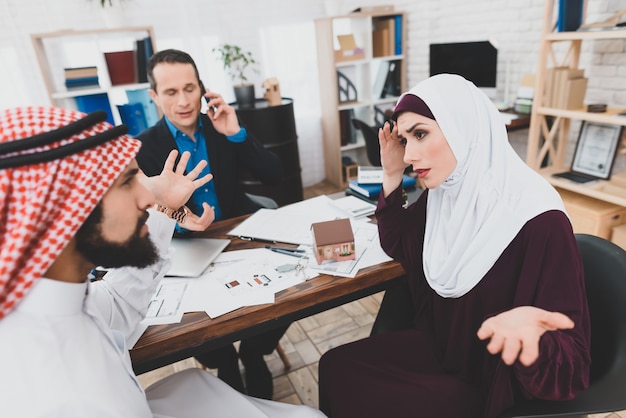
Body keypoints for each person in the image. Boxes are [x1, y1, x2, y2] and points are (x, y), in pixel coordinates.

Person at [0, 106, 326, 418]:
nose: (145, 197)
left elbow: (117, 301)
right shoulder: (62, 400)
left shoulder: (60, 299)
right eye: (128, 183)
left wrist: (166, 209)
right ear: (63, 212)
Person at [317, 74, 591, 418]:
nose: (410, 154)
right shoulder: (445, 193)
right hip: (441, 350)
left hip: (490, 383)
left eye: (420, 134)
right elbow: (399, 242)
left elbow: (573, 363)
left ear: (464, 127)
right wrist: (391, 175)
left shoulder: (539, 220)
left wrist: (534, 342)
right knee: (336, 367)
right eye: (404, 139)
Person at [134, 48, 289, 399]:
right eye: (171, 92)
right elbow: (142, 213)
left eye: (190, 88)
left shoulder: (220, 126)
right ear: (155, 96)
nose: (184, 100)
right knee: (193, 321)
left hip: (235, 232)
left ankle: (253, 352)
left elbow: (275, 174)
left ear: (202, 89)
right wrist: (179, 218)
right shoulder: (142, 147)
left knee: (287, 291)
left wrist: (235, 132)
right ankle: (226, 362)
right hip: (181, 245)